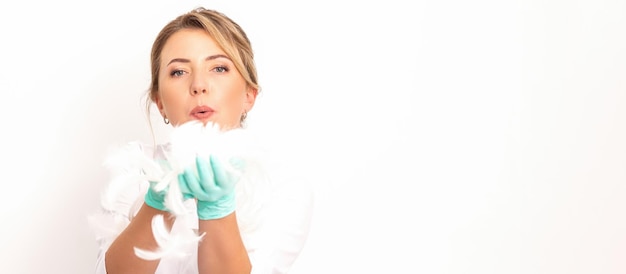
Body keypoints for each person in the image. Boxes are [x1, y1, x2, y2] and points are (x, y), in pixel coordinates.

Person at [89, 7, 314, 274]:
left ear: (249, 96)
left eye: (219, 68)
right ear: (160, 103)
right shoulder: (134, 168)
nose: (198, 85)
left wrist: (217, 208)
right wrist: (158, 204)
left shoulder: (282, 183)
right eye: (178, 72)